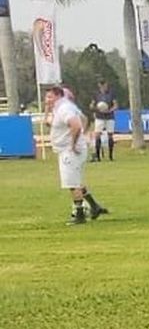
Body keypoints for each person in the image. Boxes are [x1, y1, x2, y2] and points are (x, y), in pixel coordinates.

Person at [43, 84, 106, 224]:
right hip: (67, 149)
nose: (47, 99)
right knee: (76, 181)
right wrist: (47, 110)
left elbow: (77, 125)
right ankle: (94, 206)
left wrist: (73, 144)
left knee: (72, 183)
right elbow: (82, 119)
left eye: (49, 96)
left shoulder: (64, 108)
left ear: (59, 95)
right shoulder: (60, 108)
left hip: (70, 150)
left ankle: (79, 214)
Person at [90, 80, 116, 161]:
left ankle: (110, 156)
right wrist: (96, 108)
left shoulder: (111, 93)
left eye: (104, 85)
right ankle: (98, 156)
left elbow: (115, 105)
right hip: (99, 116)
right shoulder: (96, 94)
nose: (103, 87)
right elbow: (91, 105)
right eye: (101, 85)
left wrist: (109, 110)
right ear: (99, 85)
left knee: (110, 135)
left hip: (109, 116)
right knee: (97, 135)